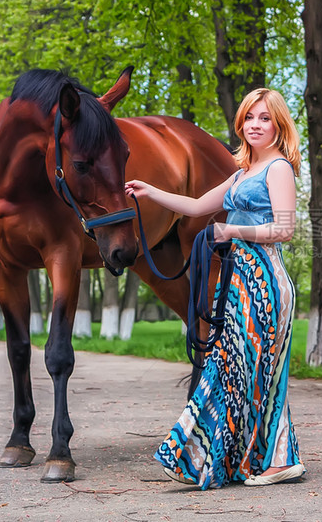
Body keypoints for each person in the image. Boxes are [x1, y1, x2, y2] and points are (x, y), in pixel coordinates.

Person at [124, 88, 305, 489]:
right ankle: (233, 458)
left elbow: (286, 229)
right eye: (249, 118)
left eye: (264, 118)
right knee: (232, 369)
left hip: (266, 283)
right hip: (239, 282)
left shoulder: (279, 169)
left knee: (254, 374)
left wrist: (232, 229)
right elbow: (195, 206)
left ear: (279, 126)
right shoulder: (242, 173)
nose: (255, 125)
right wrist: (150, 191)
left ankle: (265, 460)